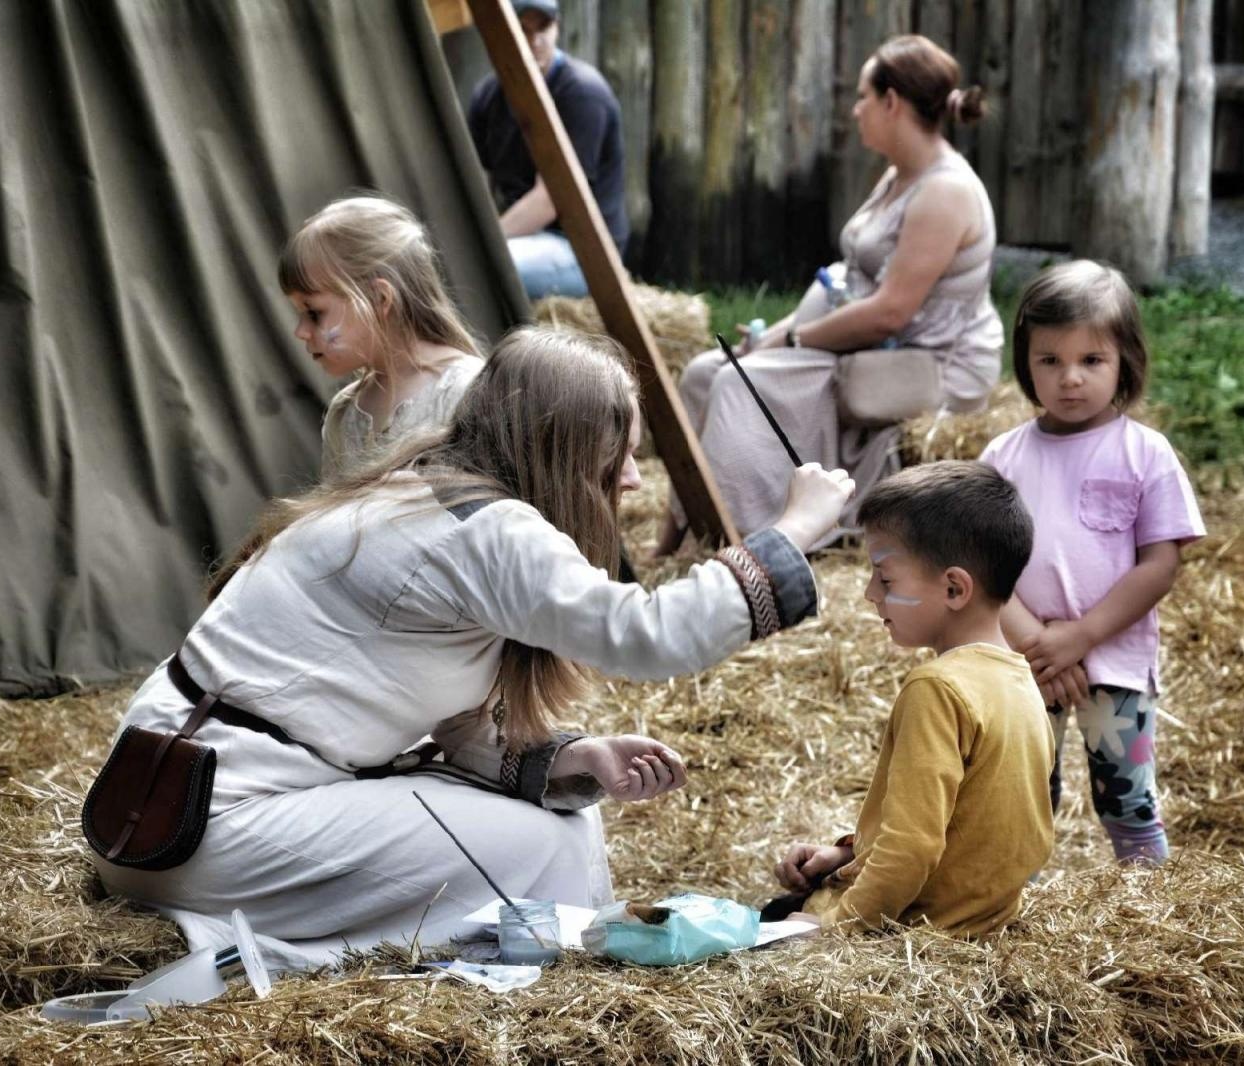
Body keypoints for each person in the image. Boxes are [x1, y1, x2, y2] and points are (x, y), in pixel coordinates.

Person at [90, 327, 853, 971]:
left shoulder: (418, 494)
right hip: (209, 831)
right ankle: (531, 981)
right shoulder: (482, 530)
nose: (629, 480)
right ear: (563, 453)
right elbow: (649, 634)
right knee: (545, 849)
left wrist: (572, 758)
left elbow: (437, 717)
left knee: (564, 820)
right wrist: (793, 530)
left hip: (160, 812)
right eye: (616, 457)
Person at [658, 34, 1000, 554]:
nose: (856, 110)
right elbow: (850, 281)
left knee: (738, 384)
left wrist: (793, 340)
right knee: (705, 373)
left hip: (926, 363)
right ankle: (683, 533)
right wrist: (775, 333)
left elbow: (890, 313)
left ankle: (754, 544)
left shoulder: (945, 191)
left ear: (891, 102)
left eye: (863, 97)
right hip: (868, 345)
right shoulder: (899, 175)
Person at [979, 261, 1206, 865]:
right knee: (1022, 799)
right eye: (1050, 360)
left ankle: (1151, 902)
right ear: (1025, 363)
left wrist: (1079, 637)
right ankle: (1013, 900)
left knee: (1126, 799)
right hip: (1024, 664)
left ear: (1125, 361)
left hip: (1114, 663)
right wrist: (1036, 643)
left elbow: (1160, 565)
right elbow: (979, 561)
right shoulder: (1002, 457)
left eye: (1091, 360)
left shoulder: (1145, 453)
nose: (1070, 378)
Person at [767, 461, 1054, 934]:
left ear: (954, 588)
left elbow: (912, 847)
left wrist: (832, 930)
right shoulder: (1020, 682)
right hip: (976, 929)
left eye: (885, 579)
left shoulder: (937, 689)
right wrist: (847, 854)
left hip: (913, 933)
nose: (869, 593)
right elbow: (974, 832)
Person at [282, 195, 485, 478]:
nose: (300, 331)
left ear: (379, 299)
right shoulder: (344, 414)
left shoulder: (467, 390)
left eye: (314, 313)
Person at [467, 0, 626, 299]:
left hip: (582, 251)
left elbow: (550, 200)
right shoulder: (487, 96)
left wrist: (481, 244)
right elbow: (475, 178)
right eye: (524, 29)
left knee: (479, 270)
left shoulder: (582, 93)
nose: (536, 40)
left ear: (557, 27)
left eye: (544, 27)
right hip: (522, 237)